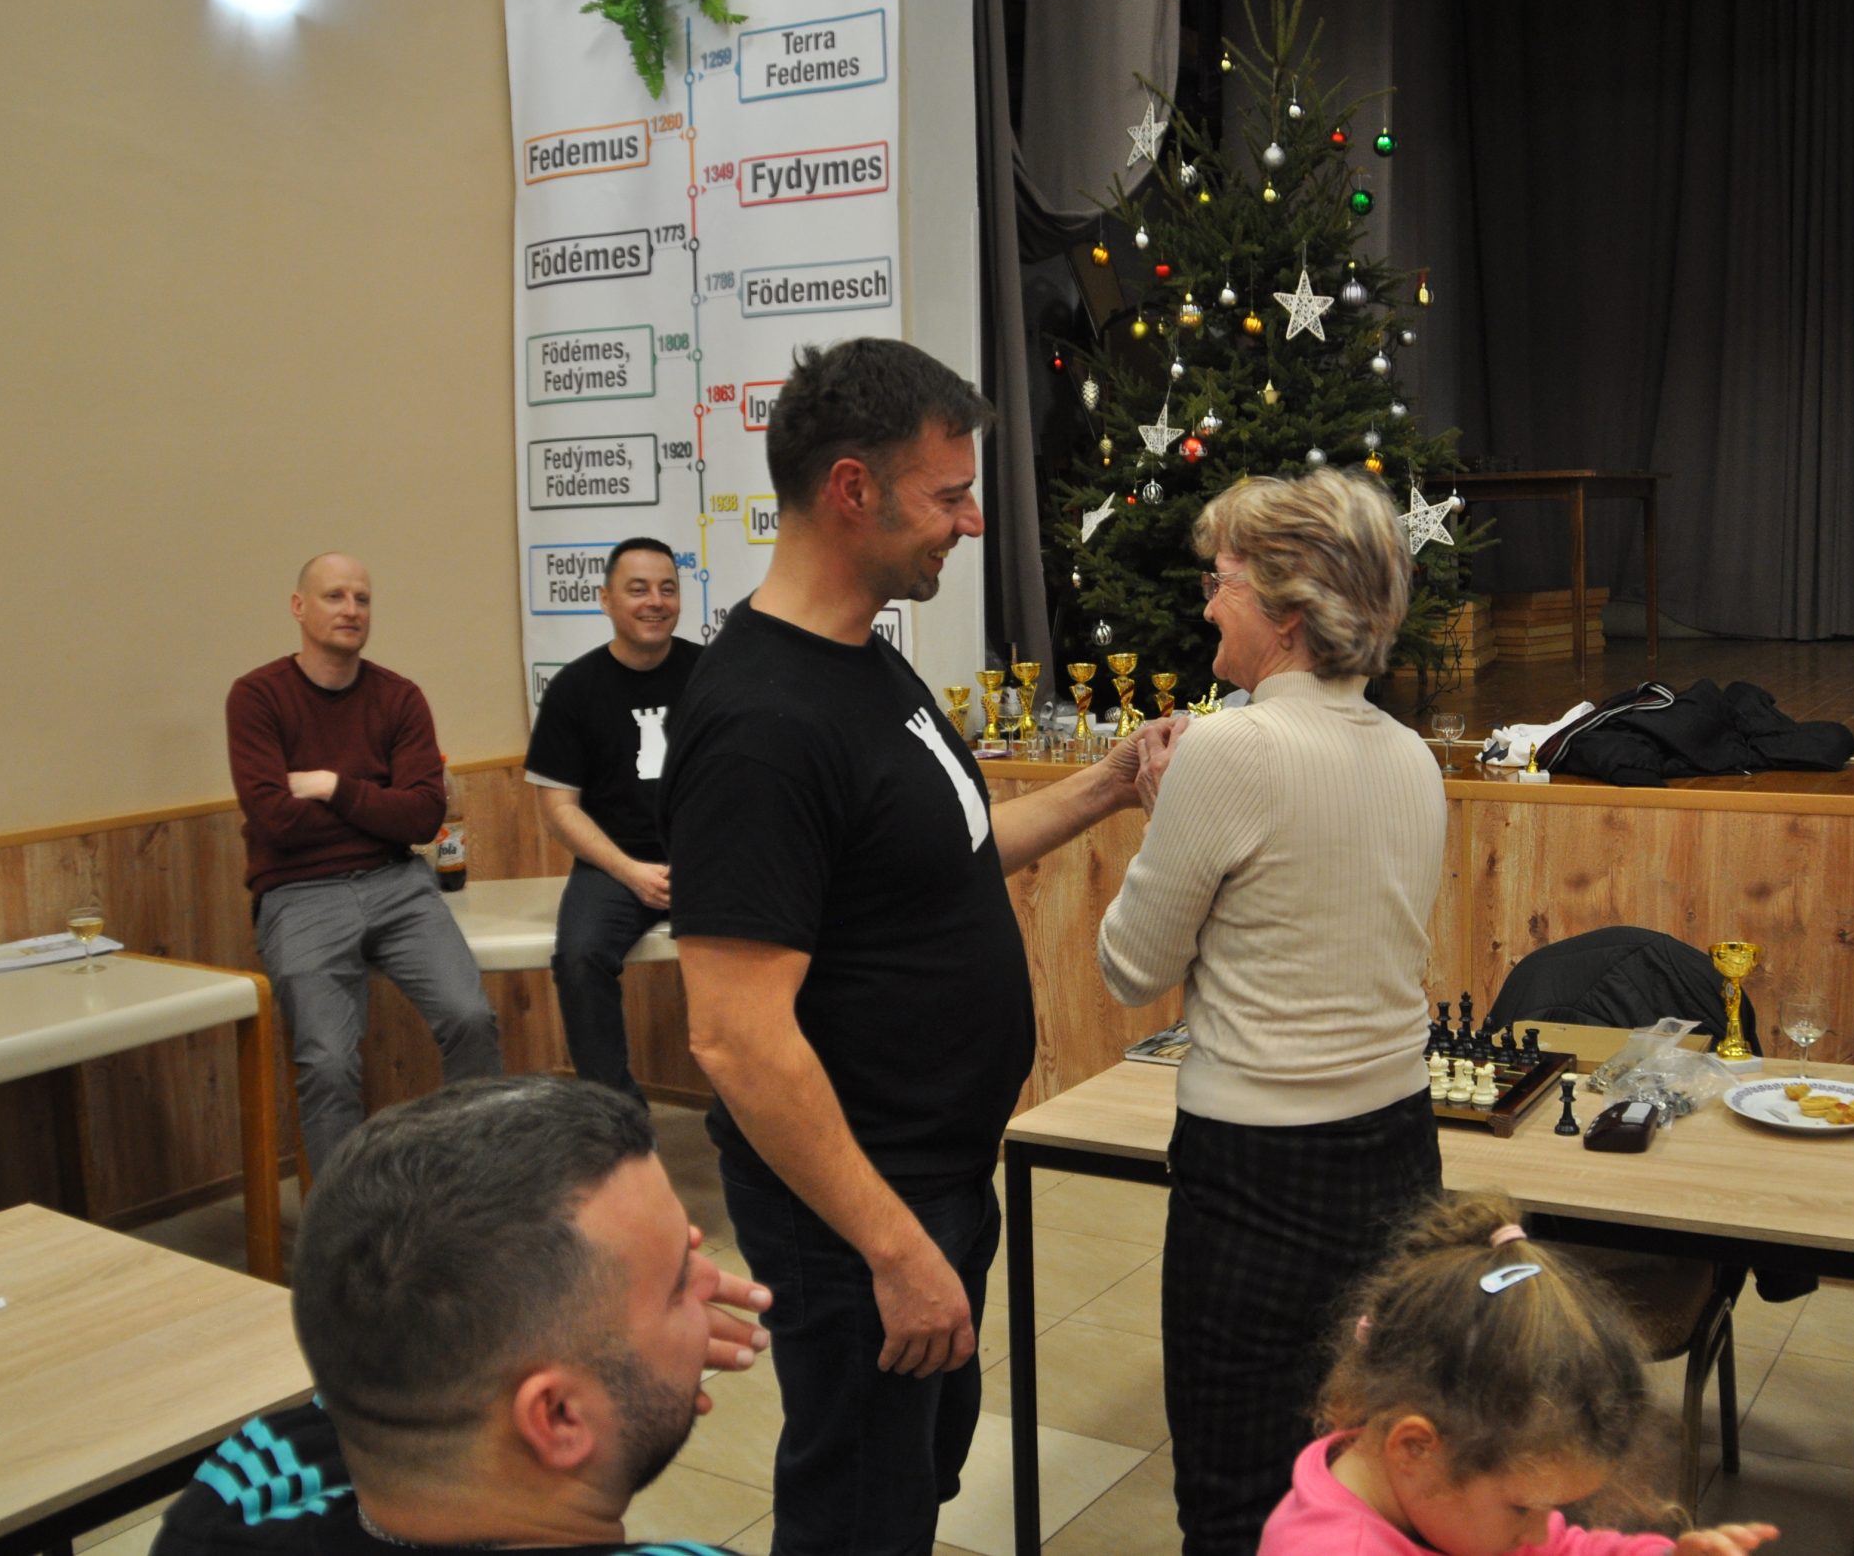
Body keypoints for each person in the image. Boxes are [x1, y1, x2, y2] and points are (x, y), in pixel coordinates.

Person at [660, 337, 1175, 1556]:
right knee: (857, 1513)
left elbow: (947, 854)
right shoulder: (759, 723)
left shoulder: (864, 658)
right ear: (853, 489)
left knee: (910, 1479)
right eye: (949, 494)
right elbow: (735, 1036)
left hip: (932, 1175)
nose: (972, 520)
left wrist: (1107, 784)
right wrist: (892, 1247)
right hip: (859, 1203)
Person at [1095, 469, 1449, 1556]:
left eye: (1223, 582)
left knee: (1236, 1492)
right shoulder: (1410, 751)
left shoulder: (1231, 747)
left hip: (1258, 1172)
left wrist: (1165, 817)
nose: (1208, 605)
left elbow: (1129, 965)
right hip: (1400, 1155)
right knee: (1367, 1482)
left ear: (1288, 613)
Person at [153, 1075, 774, 1554]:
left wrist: (626, 1364)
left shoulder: (244, 1493)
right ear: (558, 1417)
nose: (709, 1281)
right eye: (678, 1285)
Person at [1258, 1192, 1779, 1556]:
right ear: (1415, 1448)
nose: (1539, 1535)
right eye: (1525, 1510)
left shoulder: (1450, 1496)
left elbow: (1564, 1548)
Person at [226, 552, 502, 1175]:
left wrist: (331, 786)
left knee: (471, 1018)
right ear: (299, 607)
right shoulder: (257, 697)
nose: (350, 610)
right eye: (334, 596)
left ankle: (477, 1184)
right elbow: (275, 820)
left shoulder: (399, 697)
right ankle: (341, 1222)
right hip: (298, 893)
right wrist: (379, 805)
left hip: (397, 883)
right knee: (327, 1063)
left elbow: (422, 818)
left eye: (362, 599)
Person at [525, 536, 701, 1100]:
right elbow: (559, 809)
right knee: (579, 959)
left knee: (773, 946)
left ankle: (751, 1119)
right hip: (614, 866)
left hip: (707, 859)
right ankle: (615, 1117)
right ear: (605, 599)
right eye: (638, 589)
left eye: (667, 588)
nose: (656, 601)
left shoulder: (713, 674)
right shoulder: (573, 690)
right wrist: (631, 872)